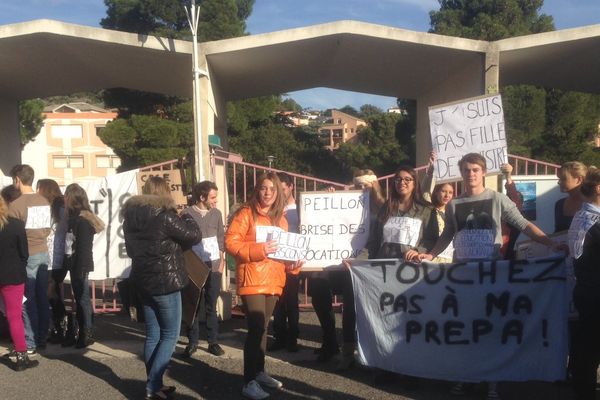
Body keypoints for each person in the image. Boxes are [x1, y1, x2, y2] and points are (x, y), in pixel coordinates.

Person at [408, 153, 562, 400]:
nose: (471, 174)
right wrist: (431, 255)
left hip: (491, 274)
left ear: (483, 172)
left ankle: (492, 382)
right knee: (464, 327)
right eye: (466, 170)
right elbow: (448, 233)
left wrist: (550, 243)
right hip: (462, 276)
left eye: (475, 170)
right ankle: (465, 376)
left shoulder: (497, 199)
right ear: (462, 173)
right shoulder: (454, 204)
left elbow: (523, 224)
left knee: (489, 328)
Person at [225, 172, 302, 400]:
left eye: (272, 189)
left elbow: (284, 255)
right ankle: (248, 381)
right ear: (257, 190)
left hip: (274, 280)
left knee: (264, 328)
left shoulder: (282, 219)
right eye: (263, 188)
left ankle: (259, 372)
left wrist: (294, 264)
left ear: (279, 192)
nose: (267, 192)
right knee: (257, 328)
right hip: (252, 278)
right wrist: (260, 250)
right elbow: (230, 242)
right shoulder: (246, 213)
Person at [123, 176, 201, 400]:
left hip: (142, 281)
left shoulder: (130, 217)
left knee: (153, 334)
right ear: (164, 192)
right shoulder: (165, 216)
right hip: (166, 282)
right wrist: (187, 216)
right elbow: (193, 236)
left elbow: (130, 251)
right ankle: (153, 385)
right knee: (170, 335)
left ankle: (154, 384)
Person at [309, 168, 387, 369]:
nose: (362, 189)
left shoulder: (383, 207)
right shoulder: (347, 203)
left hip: (368, 265)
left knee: (363, 309)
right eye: (358, 185)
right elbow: (328, 222)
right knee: (343, 305)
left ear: (374, 185)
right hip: (344, 263)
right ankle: (343, 349)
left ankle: (369, 352)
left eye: (366, 185)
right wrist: (330, 202)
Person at [8, 164, 51, 352]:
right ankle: (42, 338)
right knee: (42, 297)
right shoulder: (44, 201)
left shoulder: (15, 205)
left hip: (27, 255)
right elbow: (48, 229)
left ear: (17, 180)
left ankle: (31, 341)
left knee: (27, 299)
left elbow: (12, 234)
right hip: (43, 252)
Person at [181, 180, 226, 358]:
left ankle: (213, 342)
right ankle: (192, 342)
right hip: (194, 268)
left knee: (211, 305)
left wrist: (222, 261)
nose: (215, 201)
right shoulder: (186, 214)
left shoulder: (216, 214)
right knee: (194, 305)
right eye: (213, 197)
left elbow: (221, 238)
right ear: (202, 197)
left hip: (214, 266)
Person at [568, 167, 600, 400]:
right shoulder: (595, 220)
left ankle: (581, 387)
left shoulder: (582, 215)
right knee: (590, 348)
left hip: (585, 288)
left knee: (585, 344)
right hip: (595, 290)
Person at [63, 183, 105, 348]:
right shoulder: (74, 218)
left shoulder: (82, 221)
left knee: (83, 299)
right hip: (75, 264)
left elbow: (83, 248)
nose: (64, 199)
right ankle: (82, 331)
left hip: (81, 265)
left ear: (72, 198)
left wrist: (79, 267)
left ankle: (86, 332)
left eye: (66, 196)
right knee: (80, 298)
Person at [0, 195, 39, 371]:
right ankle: (22, 357)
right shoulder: (15, 224)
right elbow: (24, 253)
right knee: (15, 316)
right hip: (12, 275)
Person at [269, 173, 301, 353]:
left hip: (294, 262)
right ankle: (279, 336)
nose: (279, 194)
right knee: (278, 301)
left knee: (291, 300)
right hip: (276, 261)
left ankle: (293, 338)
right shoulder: (273, 209)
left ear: (291, 187)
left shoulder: (301, 208)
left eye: (282, 189)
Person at [36, 179, 68, 344]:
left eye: (38, 188)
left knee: (50, 293)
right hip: (58, 259)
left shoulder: (52, 210)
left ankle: (61, 325)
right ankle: (60, 326)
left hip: (50, 258)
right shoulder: (62, 209)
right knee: (52, 292)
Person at [555, 161, 587, 233]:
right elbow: (558, 232)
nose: (559, 182)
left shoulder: (592, 205)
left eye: (563, 179)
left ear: (579, 180)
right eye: (559, 179)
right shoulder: (559, 204)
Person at [429, 182, 455, 263]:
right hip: (432, 257)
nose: (447, 195)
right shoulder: (428, 211)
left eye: (450, 192)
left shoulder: (454, 213)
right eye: (443, 191)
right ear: (436, 192)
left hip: (449, 259)